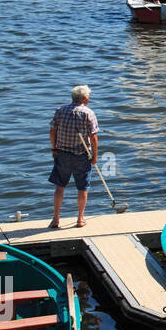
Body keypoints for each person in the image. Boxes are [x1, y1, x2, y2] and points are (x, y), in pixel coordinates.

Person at [48, 85, 99, 229]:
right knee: (82, 188)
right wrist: (95, 156)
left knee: (60, 187)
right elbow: (93, 138)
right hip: (81, 156)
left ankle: (56, 219)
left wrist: (54, 148)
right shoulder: (88, 113)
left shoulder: (60, 110)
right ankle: (80, 219)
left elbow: (52, 131)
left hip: (62, 154)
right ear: (85, 98)